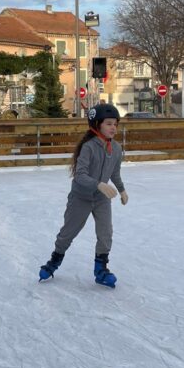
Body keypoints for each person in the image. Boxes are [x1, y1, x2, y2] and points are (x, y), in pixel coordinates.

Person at [38, 103, 128, 288]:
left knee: (106, 234)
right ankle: (54, 260)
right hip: (81, 197)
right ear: (97, 125)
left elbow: (115, 173)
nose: (113, 128)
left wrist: (122, 190)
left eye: (115, 124)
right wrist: (98, 184)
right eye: (109, 124)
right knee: (68, 233)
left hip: (101, 199)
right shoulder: (88, 147)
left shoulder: (116, 148)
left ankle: (101, 270)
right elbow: (80, 175)